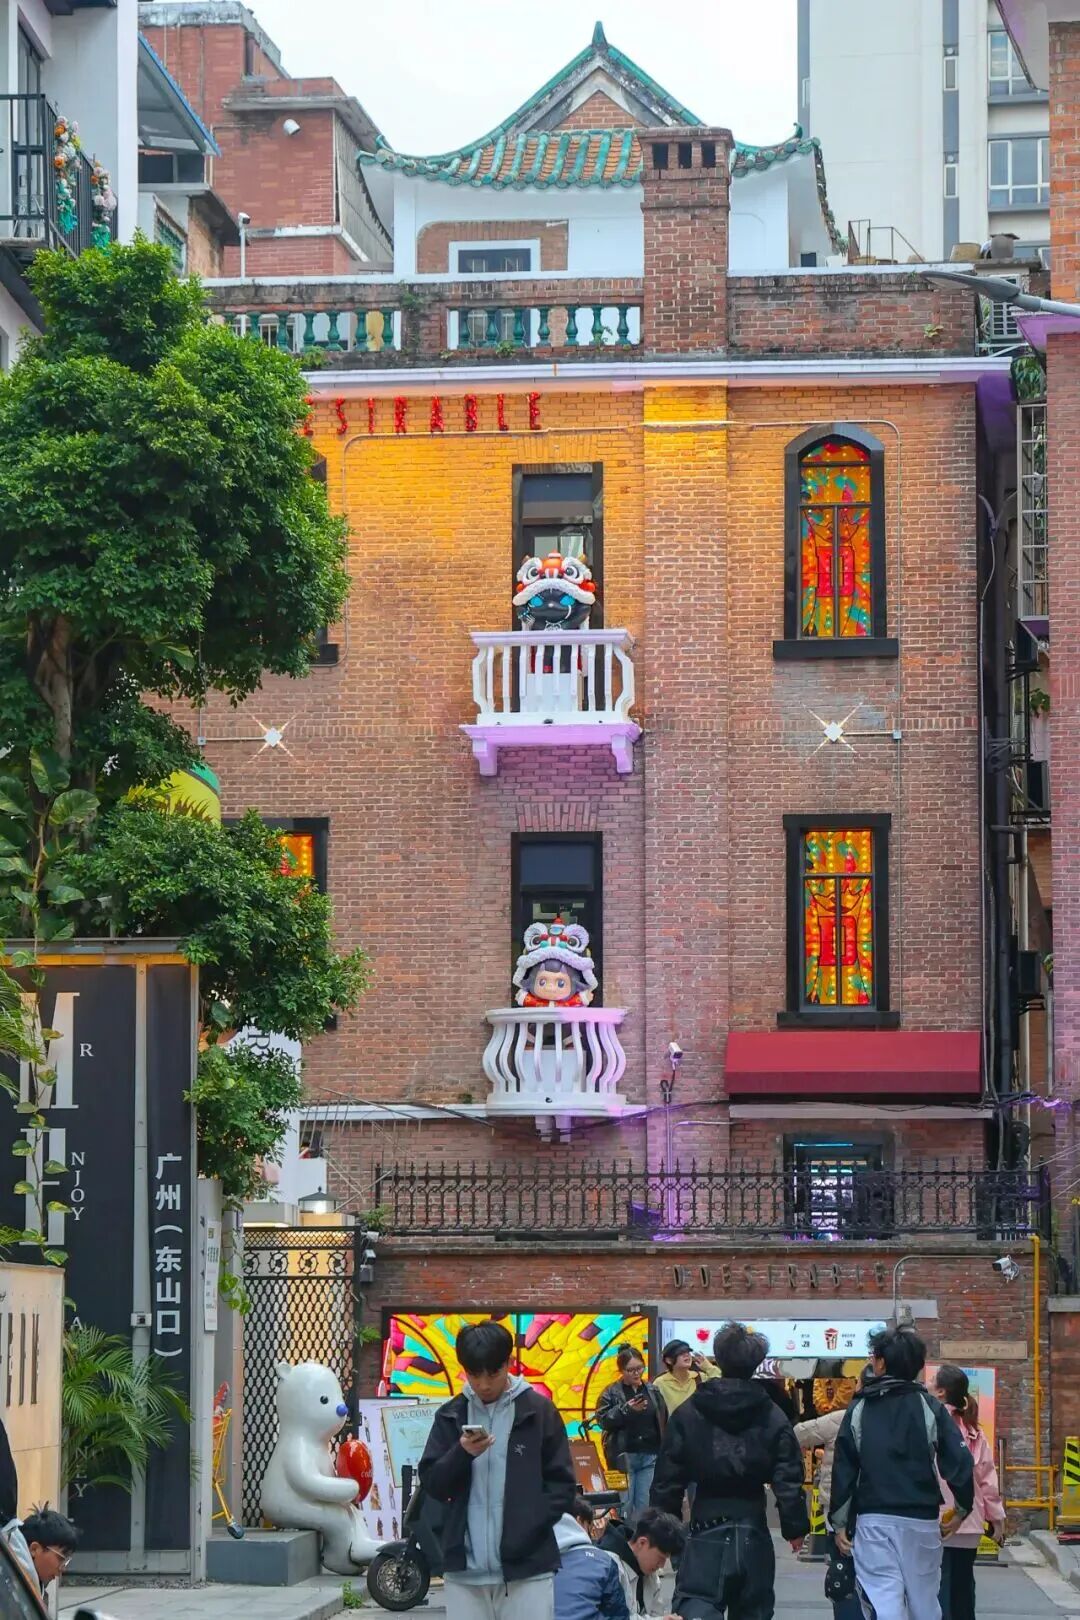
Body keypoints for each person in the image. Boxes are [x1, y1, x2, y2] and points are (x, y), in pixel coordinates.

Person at [418, 1320, 576, 1620]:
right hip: (464, 1571)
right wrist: (462, 1453)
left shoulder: (538, 1412)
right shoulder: (451, 1415)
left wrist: (529, 1528)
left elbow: (562, 1486)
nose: (484, 1384)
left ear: (509, 1363)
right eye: (474, 1374)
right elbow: (432, 1483)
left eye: (493, 1373)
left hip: (528, 1569)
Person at [652, 1321, 809, 1620]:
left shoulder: (690, 1412)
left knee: (695, 1609)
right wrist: (795, 1525)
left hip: (705, 1523)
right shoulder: (771, 1414)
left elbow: (667, 1478)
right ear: (756, 1363)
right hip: (752, 1524)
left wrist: (663, 1532)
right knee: (753, 1610)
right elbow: (788, 1474)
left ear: (718, 1358)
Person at [830, 1328, 975, 1620]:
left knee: (884, 1598)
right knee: (924, 1601)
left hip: (874, 1517)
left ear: (881, 1363)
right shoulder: (930, 1406)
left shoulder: (860, 1407)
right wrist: (962, 1508)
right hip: (921, 1518)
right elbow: (959, 1460)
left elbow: (845, 1466)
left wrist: (840, 1522)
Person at [794, 1367, 869, 1620]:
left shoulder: (840, 1418)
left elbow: (798, 1434)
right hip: (880, 1509)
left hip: (839, 1507)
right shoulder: (895, 1420)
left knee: (843, 1572)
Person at [932, 1364, 1006, 1620]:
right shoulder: (974, 1431)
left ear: (941, 1392)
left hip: (939, 1519)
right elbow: (987, 1479)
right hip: (971, 1521)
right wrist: (996, 1519)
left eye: (932, 1382)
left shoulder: (930, 1424)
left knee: (939, 1587)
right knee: (963, 1587)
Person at [594, 1347, 665, 1515]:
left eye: (640, 1368)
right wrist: (627, 1410)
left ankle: (641, 1532)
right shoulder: (610, 1392)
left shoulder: (652, 1390)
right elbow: (603, 1420)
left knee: (645, 1507)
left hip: (649, 1455)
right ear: (621, 1371)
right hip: (621, 1458)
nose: (636, 1373)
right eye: (631, 1370)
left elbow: (663, 1420)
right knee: (623, 1507)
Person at [598, 1507, 685, 1620]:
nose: (662, 1565)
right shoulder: (609, 1567)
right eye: (660, 1558)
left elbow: (656, 1612)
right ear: (642, 1543)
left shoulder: (649, 1573)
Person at [554, 1495, 630, 1620]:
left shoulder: (530, 1560)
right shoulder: (603, 1562)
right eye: (590, 1526)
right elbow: (619, 1615)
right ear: (579, 1521)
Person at [2, 1507, 79, 1598]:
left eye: (66, 1561)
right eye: (61, 1558)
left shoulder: (26, 1586)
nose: (63, 1569)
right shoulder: (7, 1584)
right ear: (34, 1549)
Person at [653, 1341, 721, 1420]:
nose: (687, 1355)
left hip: (698, 1426)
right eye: (681, 1353)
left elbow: (721, 1383)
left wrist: (708, 1367)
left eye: (688, 1352)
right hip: (673, 1427)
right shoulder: (660, 1383)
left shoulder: (698, 1378)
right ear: (669, 1360)